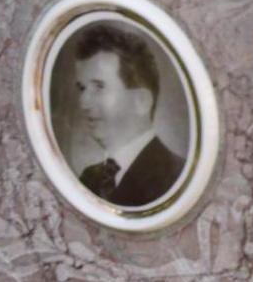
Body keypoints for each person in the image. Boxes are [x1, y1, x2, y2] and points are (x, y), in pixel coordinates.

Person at [74, 25, 185, 206]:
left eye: (99, 87)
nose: (83, 102)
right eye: (82, 88)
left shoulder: (175, 178)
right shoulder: (89, 178)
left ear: (141, 101)